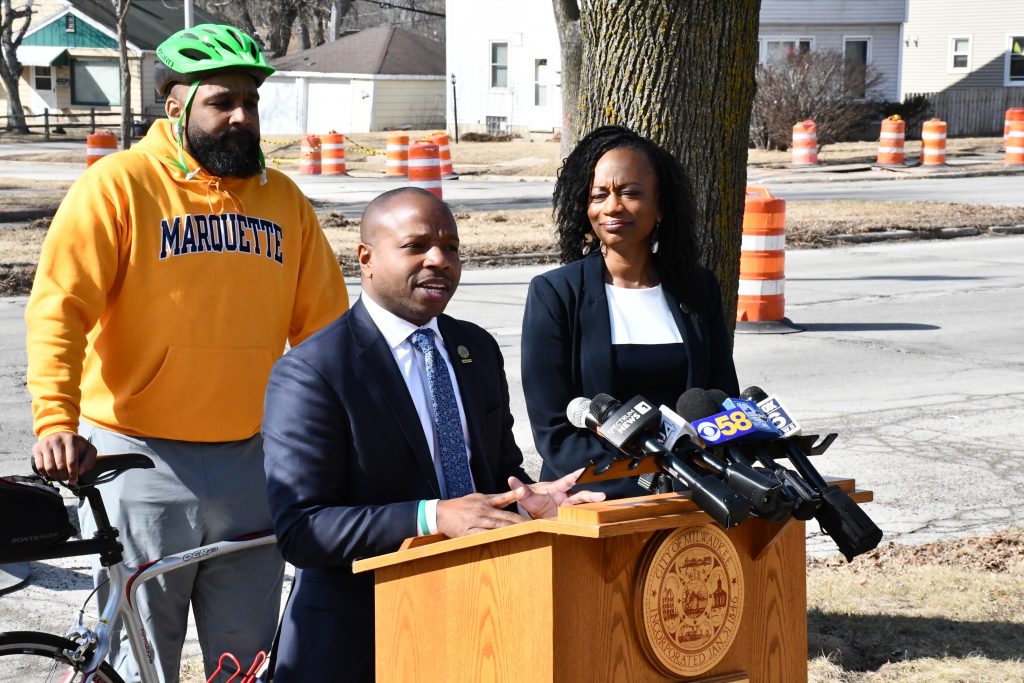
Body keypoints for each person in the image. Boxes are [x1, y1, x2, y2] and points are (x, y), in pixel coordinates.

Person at [25, 24, 348, 683]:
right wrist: (55, 420)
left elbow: (324, 332)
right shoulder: (117, 186)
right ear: (175, 105)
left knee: (245, 663)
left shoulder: (283, 201)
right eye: (222, 101)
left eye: (251, 103)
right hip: (138, 461)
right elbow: (60, 307)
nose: (241, 117)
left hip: (255, 463)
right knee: (135, 662)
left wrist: (337, 433)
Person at [262, 187, 603, 681]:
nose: (439, 260)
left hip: (480, 617)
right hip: (363, 635)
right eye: (416, 246)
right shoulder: (312, 372)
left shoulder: (476, 348)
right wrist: (433, 517)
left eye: (451, 247)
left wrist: (527, 501)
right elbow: (303, 529)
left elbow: (497, 472)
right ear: (366, 258)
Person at [521, 125, 740, 500]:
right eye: (599, 195)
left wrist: (695, 475)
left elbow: (721, 400)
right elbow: (555, 431)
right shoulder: (555, 294)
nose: (612, 207)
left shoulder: (697, 288)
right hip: (592, 498)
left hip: (692, 495)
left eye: (630, 193)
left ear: (661, 204)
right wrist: (648, 481)